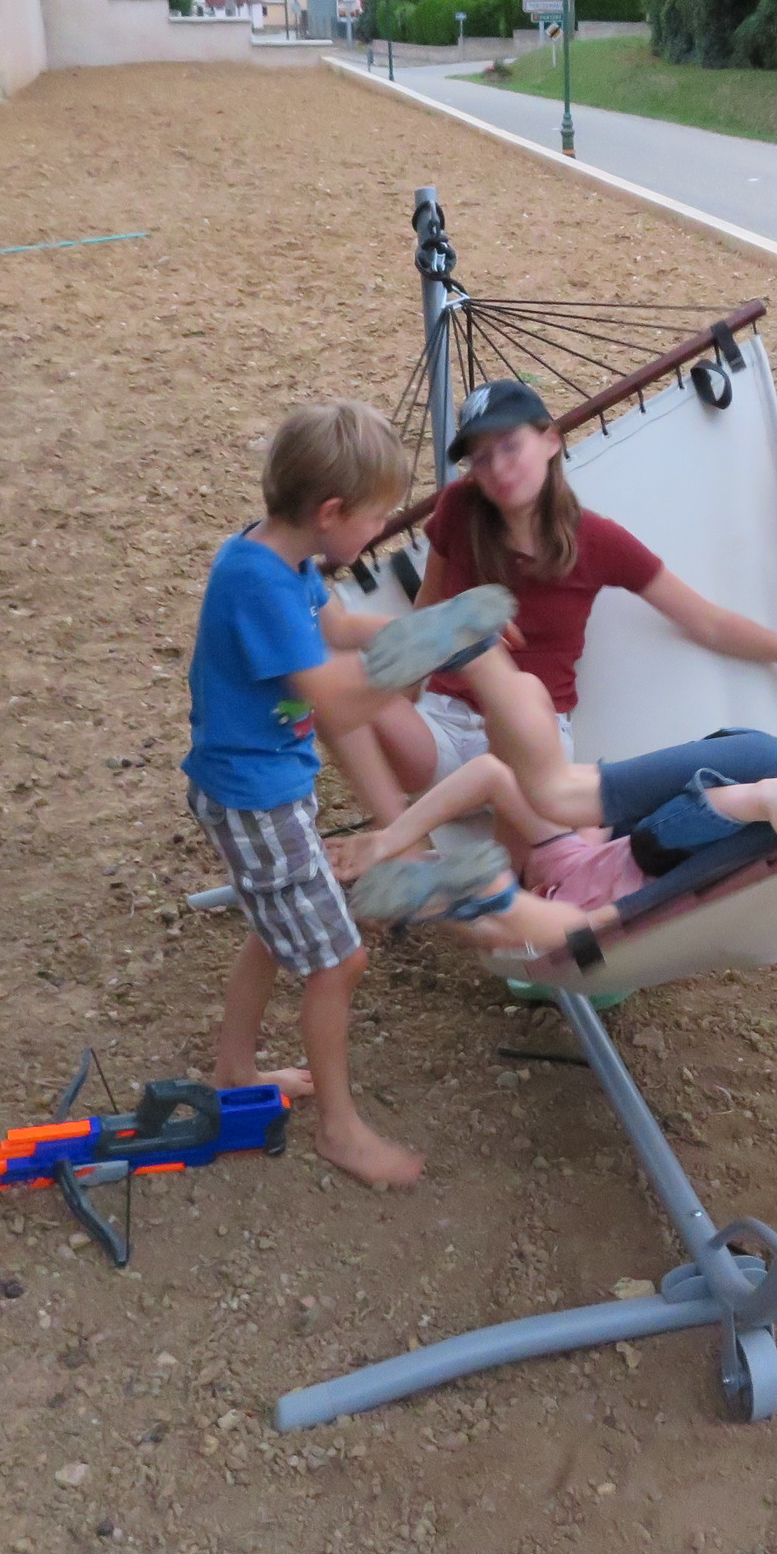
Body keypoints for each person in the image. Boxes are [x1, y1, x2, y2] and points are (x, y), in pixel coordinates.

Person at [181, 400, 517, 1187]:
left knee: (278, 925)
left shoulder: (288, 562)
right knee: (341, 961)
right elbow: (335, 698)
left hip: (269, 785)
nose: (378, 533)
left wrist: (442, 626)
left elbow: (340, 630)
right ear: (331, 512)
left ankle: (235, 1070)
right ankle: (340, 1131)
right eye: (374, 520)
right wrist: (430, 649)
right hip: (254, 799)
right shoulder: (256, 584)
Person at [344, 378, 777, 814]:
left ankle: (511, 862)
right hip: (445, 723)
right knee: (338, 684)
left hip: (533, 749)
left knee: (523, 704)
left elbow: (706, 621)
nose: (498, 469)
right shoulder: (459, 508)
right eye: (480, 459)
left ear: (550, 441)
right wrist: (398, 694)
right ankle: (399, 843)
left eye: (510, 446)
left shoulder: (595, 540)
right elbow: (425, 612)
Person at [334, 644, 777, 955]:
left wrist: (395, 852)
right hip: (751, 796)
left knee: (645, 839)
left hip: (750, 784)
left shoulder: (557, 882)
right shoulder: (561, 889)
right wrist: (395, 853)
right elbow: (623, 900)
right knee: (650, 843)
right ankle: (494, 670)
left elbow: (490, 778)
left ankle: (493, 669)